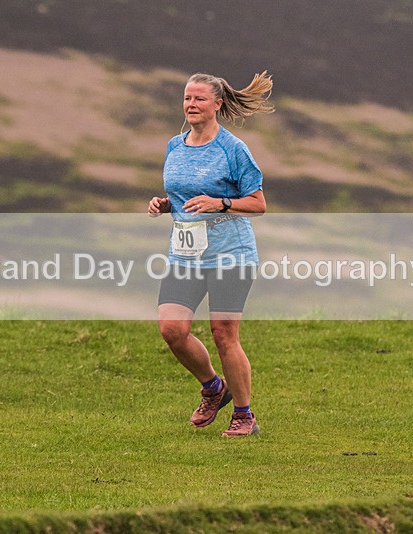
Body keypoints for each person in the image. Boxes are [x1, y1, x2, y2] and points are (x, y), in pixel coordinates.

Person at [147, 71, 273, 437]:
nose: (191, 104)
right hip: (185, 254)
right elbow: (186, 197)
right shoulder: (175, 145)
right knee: (172, 330)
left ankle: (244, 415)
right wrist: (167, 204)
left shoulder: (233, 149)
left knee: (223, 334)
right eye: (187, 98)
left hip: (230, 254)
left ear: (217, 104)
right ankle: (213, 387)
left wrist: (221, 203)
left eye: (199, 99)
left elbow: (259, 203)